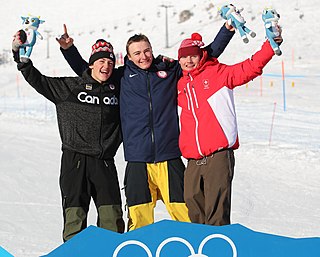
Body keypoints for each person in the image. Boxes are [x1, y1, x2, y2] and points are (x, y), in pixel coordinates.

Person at [57, 22, 235, 230]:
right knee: (138, 223)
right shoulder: (120, 77)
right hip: (137, 161)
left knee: (187, 218)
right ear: (129, 57)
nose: (143, 56)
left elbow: (202, 56)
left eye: (147, 51)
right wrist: (68, 50)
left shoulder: (168, 71)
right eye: (137, 53)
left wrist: (227, 31)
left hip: (169, 157)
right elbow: (87, 70)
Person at [12, 31, 125, 241]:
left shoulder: (118, 88)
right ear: (90, 64)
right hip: (75, 162)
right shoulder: (69, 88)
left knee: (113, 222)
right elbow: (39, 80)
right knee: (75, 222)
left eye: (110, 62)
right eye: (101, 61)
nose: (106, 66)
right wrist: (22, 60)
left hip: (104, 163)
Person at [175, 30, 283, 226]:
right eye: (183, 57)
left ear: (201, 56)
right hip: (192, 160)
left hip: (217, 156)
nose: (188, 61)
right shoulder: (180, 84)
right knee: (193, 212)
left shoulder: (218, 73)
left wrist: (269, 47)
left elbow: (250, 67)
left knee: (216, 215)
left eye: (192, 56)